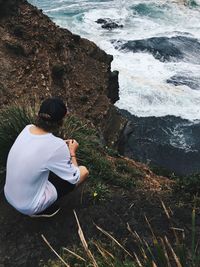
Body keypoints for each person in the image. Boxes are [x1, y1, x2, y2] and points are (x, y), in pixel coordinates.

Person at [4, 98, 89, 217]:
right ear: (61, 121)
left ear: (38, 115)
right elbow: (74, 177)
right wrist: (72, 152)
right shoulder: (56, 146)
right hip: (28, 206)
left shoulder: (27, 128)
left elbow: (37, 147)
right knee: (84, 171)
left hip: (9, 194)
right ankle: (40, 210)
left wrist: (59, 148)